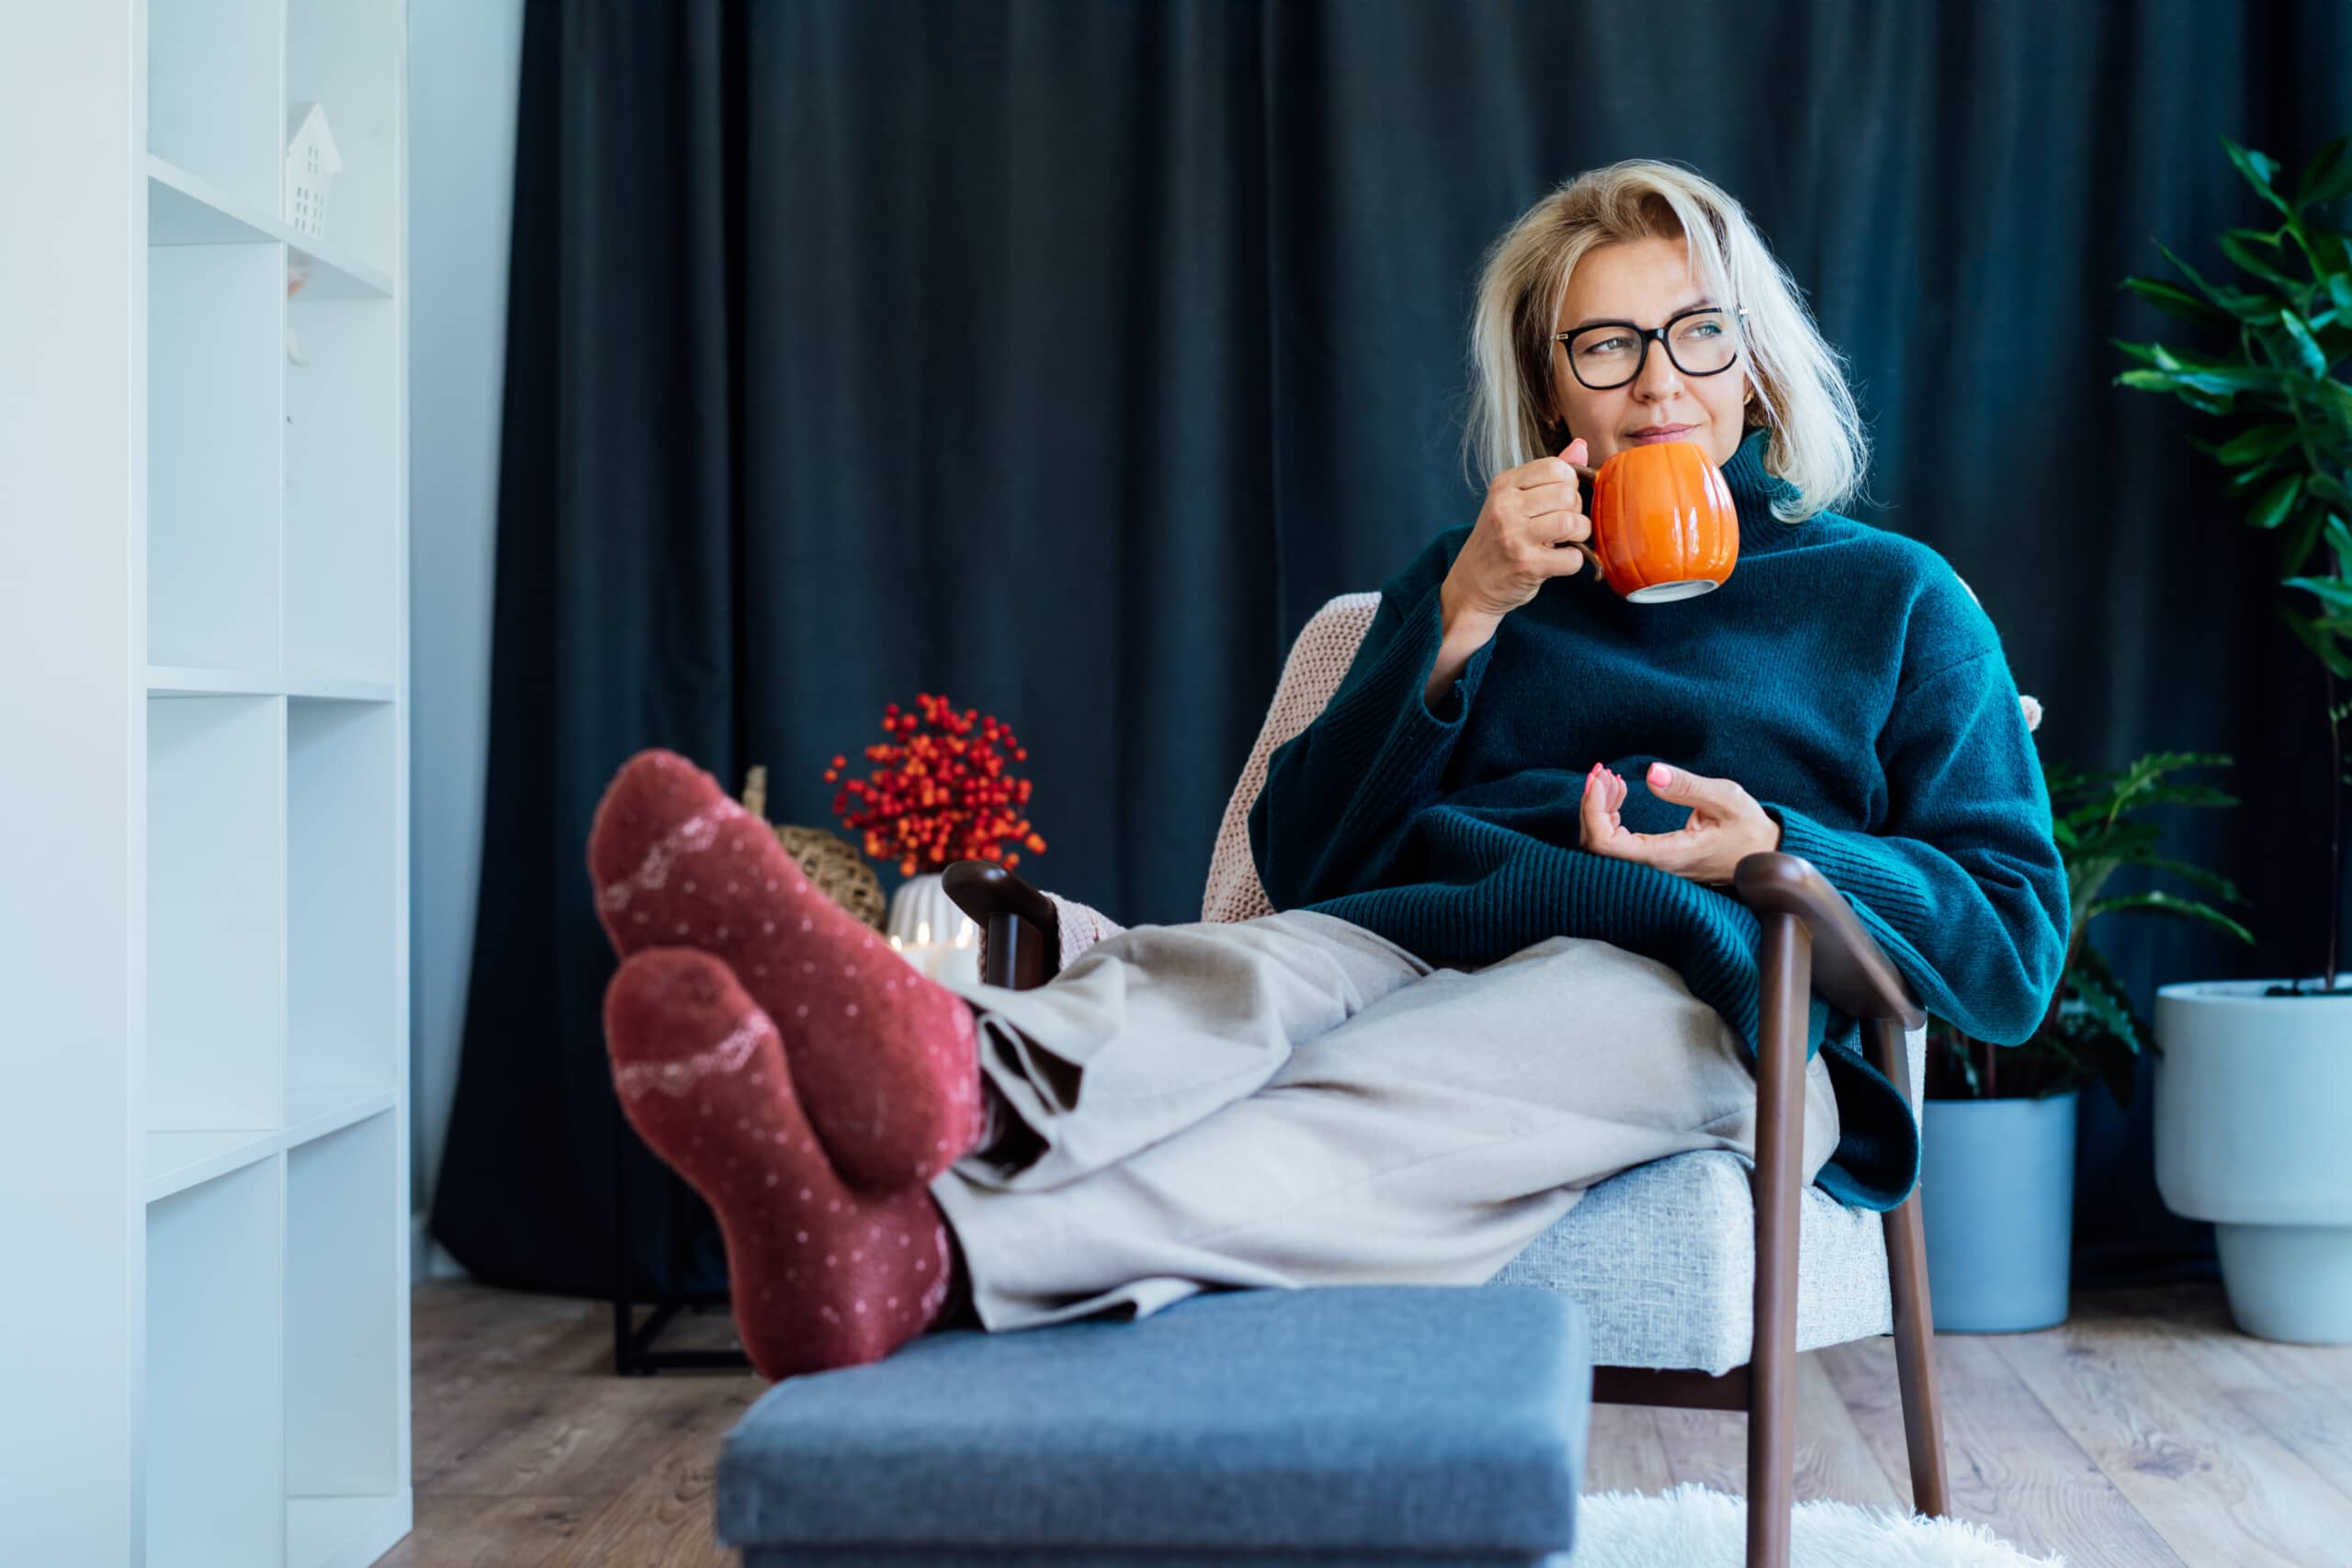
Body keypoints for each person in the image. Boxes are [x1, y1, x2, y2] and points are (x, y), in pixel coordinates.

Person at [586, 158, 2071, 1381]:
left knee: (1425, 1069)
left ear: (1750, 359)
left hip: (1714, 987)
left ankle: (937, 1232)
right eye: (1605, 345)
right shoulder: (1480, 569)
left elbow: (2013, 945)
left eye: (1695, 332)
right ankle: (939, 1073)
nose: (1658, 383)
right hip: (1421, 933)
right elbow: (1304, 867)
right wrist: (1461, 618)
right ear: (1560, 397)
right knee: (1240, 979)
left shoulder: (1894, 599)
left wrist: (1778, 854)